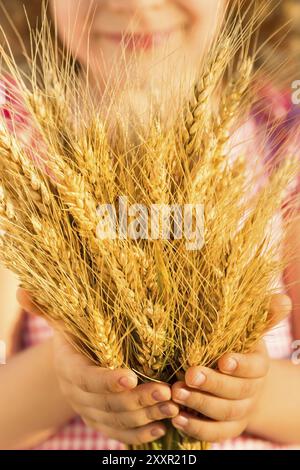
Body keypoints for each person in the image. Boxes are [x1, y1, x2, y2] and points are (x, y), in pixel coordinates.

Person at [0, 0, 299, 450]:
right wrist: (71, 376)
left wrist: (250, 395)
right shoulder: (15, 152)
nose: (135, 4)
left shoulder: (283, 143)